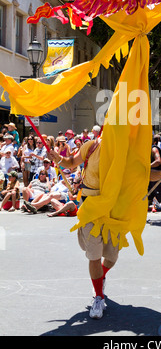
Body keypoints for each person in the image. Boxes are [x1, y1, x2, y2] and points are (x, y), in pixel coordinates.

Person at [48, 135, 117, 319]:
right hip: (90, 206)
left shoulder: (125, 148)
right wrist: (59, 159)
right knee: (94, 255)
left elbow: (142, 173)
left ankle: (100, 277)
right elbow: (71, 162)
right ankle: (98, 297)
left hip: (114, 209)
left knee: (111, 257)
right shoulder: (92, 145)